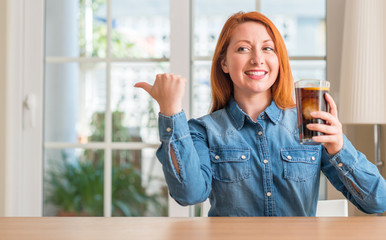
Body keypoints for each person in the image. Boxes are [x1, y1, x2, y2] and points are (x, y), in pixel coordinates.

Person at [135, 11, 386, 216]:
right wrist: (170, 112)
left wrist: (340, 147)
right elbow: (189, 194)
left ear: (279, 60)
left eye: (268, 49)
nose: (257, 59)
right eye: (243, 49)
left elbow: (378, 201)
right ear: (224, 63)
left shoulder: (309, 125)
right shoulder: (203, 131)